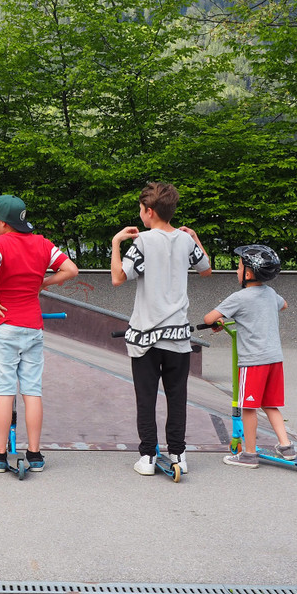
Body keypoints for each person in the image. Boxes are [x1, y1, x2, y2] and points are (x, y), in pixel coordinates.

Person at [111, 182, 211, 476]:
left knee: (146, 398)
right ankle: (178, 454)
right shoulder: (185, 241)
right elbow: (206, 269)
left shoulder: (142, 242)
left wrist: (116, 243)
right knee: (177, 397)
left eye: (141, 209)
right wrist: (195, 237)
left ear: (149, 211)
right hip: (178, 336)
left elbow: (118, 277)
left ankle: (147, 457)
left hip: (146, 336)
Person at [0, 195, 78, 473]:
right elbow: (71, 269)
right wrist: (44, 283)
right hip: (32, 326)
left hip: (4, 324)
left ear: (3, 223)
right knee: (32, 391)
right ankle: (35, 456)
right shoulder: (42, 243)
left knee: (4, 391)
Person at [203, 245, 295, 468]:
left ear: (248, 273)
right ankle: (286, 446)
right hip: (274, 359)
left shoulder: (239, 298)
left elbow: (209, 319)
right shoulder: (270, 293)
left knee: (248, 407)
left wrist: (220, 320)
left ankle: (249, 454)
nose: (237, 271)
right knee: (270, 404)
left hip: (253, 362)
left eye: (239, 267)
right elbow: (284, 305)